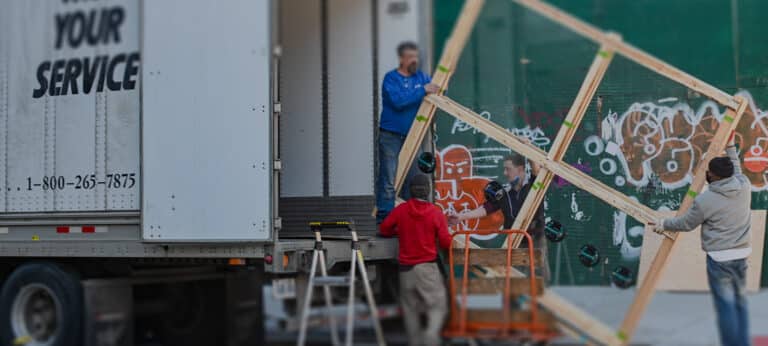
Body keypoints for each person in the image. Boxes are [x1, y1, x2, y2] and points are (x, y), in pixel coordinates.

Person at [653, 133, 752, 346]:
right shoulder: (744, 186)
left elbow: (686, 223)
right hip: (742, 255)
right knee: (740, 303)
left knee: (725, 306)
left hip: (720, 259)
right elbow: (737, 169)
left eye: (710, 173)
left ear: (715, 177)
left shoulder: (705, 200)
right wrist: (731, 146)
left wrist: (663, 224)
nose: (707, 174)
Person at [379, 174, 451, 346]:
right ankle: (431, 338)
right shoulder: (435, 213)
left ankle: (416, 342)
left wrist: (398, 232)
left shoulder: (401, 211)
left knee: (410, 310)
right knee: (438, 305)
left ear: (410, 191)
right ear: (428, 191)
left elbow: (384, 229)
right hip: (427, 268)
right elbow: (445, 242)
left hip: (405, 271)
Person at [376, 41, 440, 224]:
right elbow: (398, 102)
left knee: (415, 178)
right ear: (401, 59)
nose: (414, 60)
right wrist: (422, 90)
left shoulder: (421, 77)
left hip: (414, 135)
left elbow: (436, 91)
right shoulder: (391, 78)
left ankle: (413, 221)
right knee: (389, 179)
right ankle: (385, 221)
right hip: (391, 135)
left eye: (416, 57)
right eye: (410, 57)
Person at [448, 152, 545, 248]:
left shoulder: (535, 187)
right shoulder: (505, 193)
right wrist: (461, 217)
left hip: (534, 241)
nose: (505, 173)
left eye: (508, 169)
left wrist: (526, 148)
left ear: (520, 169)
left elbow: (537, 172)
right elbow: (486, 208)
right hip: (514, 241)